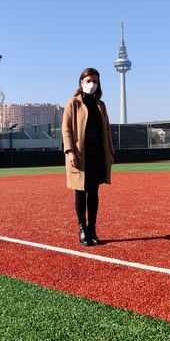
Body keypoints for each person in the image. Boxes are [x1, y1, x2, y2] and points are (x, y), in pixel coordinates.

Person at [62, 67, 115, 246]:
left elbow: (106, 130)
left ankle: (92, 228)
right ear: (81, 83)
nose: (92, 84)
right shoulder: (73, 103)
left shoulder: (100, 104)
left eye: (95, 81)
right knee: (80, 190)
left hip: (98, 153)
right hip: (80, 153)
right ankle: (82, 228)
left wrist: (110, 151)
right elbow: (66, 129)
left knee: (94, 191)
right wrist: (69, 151)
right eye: (88, 81)